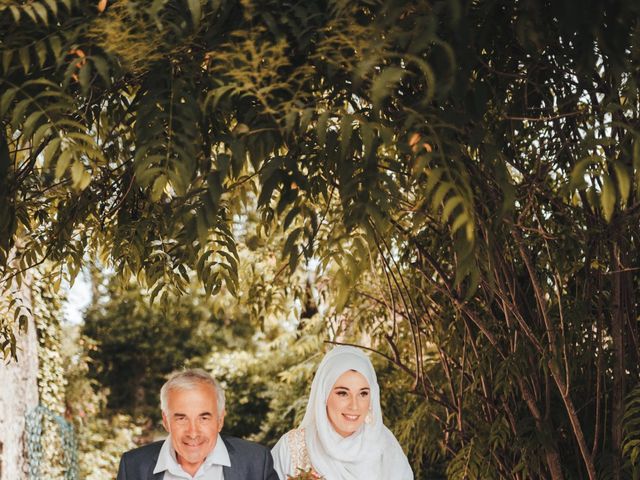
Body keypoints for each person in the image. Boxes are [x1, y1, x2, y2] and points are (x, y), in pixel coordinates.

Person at [271, 346, 413, 480]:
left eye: (363, 393)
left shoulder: (386, 446)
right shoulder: (292, 447)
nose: (354, 405)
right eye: (343, 393)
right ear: (324, 395)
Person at [116, 368, 278, 480]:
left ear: (220, 420)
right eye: (181, 418)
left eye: (204, 418)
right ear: (166, 421)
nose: (193, 433)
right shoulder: (133, 467)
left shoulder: (256, 462)